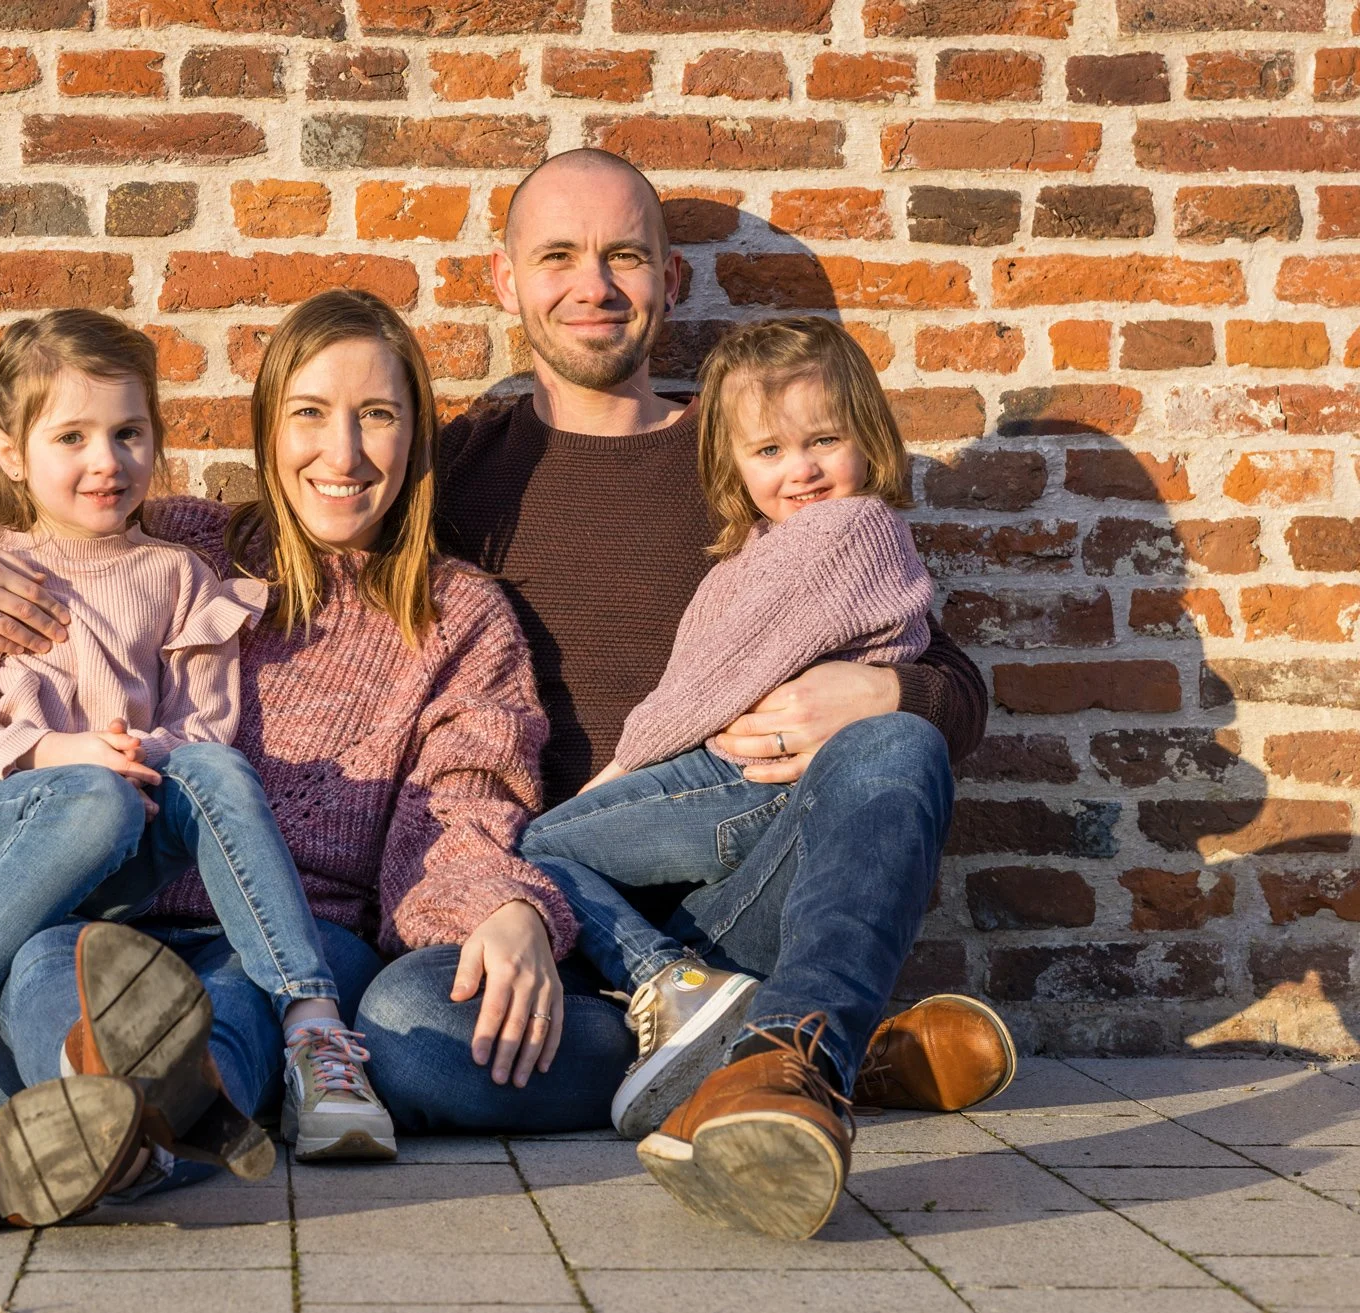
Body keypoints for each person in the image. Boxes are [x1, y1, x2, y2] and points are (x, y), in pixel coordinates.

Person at [348, 149, 1016, 1240]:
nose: (593, 285)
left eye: (624, 256)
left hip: (739, 897)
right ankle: (815, 1049)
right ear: (504, 280)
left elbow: (951, 682)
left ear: (671, 278)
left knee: (896, 747)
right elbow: (296, 527)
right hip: (559, 928)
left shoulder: (756, 447)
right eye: (557, 256)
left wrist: (880, 691)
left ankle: (783, 1053)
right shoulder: (458, 467)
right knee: (404, 1027)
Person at [0, 291, 582, 1229]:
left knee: (235, 1009)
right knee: (47, 971)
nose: (342, 454)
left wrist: (498, 902)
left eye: (377, 416)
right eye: (309, 413)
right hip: (111, 893)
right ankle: (119, 1123)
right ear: (268, 430)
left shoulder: (459, 615)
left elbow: (463, 802)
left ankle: (114, 1134)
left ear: (417, 435)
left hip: (294, 925)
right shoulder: (180, 539)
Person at [0, 309, 394, 1169]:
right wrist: (65, 754)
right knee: (94, 797)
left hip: (115, 858)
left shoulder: (178, 576)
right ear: (9, 452)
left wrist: (136, 752)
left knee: (210, 765)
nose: (107, 461)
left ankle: (311, 1038)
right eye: (73, 435)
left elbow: (204, 729)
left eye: (129, 433)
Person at [520, 315, 937, 1144]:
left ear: (870, 438)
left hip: (738, 782)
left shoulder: (846, 531)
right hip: (738, 819)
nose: (803, 469)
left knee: (536, 849)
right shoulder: (754, 551)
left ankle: (679, 992)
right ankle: (803, 1040)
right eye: (769, 452)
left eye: (825, 439)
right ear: (733, 464)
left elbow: (718, 680)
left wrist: (621, 769)